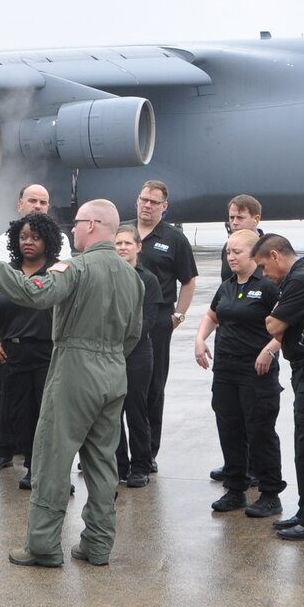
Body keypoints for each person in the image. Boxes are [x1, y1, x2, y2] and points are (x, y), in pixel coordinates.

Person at [0, 198, 143, 568]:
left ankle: (44, 545)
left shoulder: (75, 267)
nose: (72, 230)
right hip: (115, 370)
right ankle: (97, 544)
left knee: (51, 455)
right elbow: (134, 334)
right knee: (102, 460)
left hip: (75, 366)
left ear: (93, 225)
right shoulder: (132, 275)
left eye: (77, 223)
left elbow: (36, 293)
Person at [194, 228, 284, 517]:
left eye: (237, 252)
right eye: (228, 252)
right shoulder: (227, 286)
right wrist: (200, 339)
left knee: (259, 431)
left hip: (255, 372)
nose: (231, 257)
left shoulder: (268, 286)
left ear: (254, 255)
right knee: (229, 428)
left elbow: (287, 323)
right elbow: (212, 315)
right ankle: (235, 489)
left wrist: (270, 349)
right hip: (226, 370)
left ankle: (270, 493)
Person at [255, 232, 304, 542]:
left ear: (275, 255)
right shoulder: (296, 278)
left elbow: (272, 325)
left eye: (263, 266)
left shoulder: (300, 280)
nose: (264, 275)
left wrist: (278, 317)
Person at [0, 212, 62, 488]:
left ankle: (50, 470)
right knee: (20, 414)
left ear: (47, 241)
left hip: (47, 355)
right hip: (12, 355)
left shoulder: (58, 271)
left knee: (47, 415)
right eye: (23, 237)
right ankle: (30, 466)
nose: (28, 242)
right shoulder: (7, 272)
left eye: (36, 238)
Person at [128, 180, 197, 472]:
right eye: (144, 199)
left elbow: (189, 281)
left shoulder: (174, 238)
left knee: (152, 386)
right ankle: (112, 452)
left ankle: (147, 452)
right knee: (115, 386)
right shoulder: (124, 232)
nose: (147, 205)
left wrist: (177, 317)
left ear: (164, 207)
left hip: (157, 317)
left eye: (154, 202)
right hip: (121, 314)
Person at [110, 225, 163, 488]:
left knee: (136, 409)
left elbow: (148, 321)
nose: (122, 248)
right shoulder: (107, 276)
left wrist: (119, 342)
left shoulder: (148, 280)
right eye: (118, 243)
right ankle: (119, 465)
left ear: (138, 247)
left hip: (137, 354)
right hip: (110, 355)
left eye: (127, 243)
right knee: (112, 412)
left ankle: (141, 465)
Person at [0, 183, 72, 264]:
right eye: (32, 201)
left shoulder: (61, 239)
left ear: (47, 207)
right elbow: (0, 276)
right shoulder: (4, 241)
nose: (38, 206)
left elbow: (64, 275)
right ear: (20, 206)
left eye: (43, 202)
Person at [217, 194, 264, 279]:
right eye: (232, 217)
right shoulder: (228, 247)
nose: (234, 222)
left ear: (256, 219)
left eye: (240, 217)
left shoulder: (268, 247)